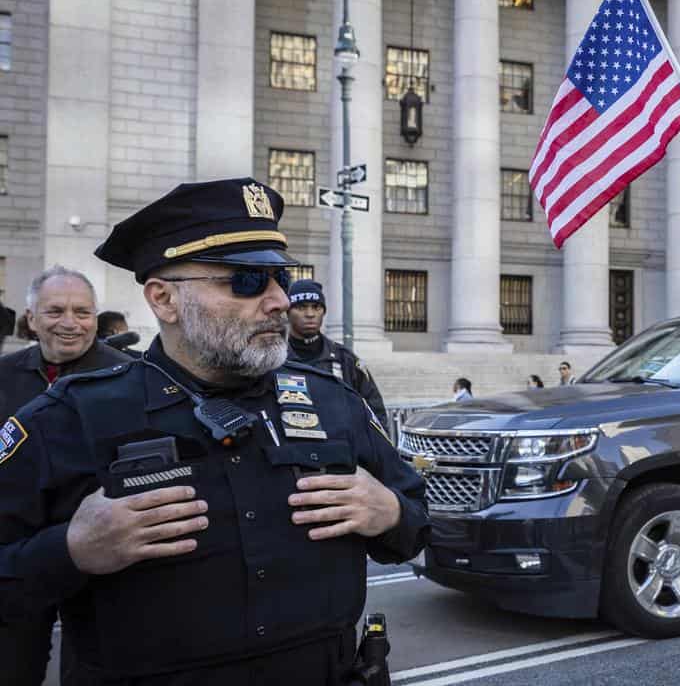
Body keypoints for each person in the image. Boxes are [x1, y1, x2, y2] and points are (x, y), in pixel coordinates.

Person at [0, 178, 431, 685]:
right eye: (246, 280)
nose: (277, 301)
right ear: (164, 300)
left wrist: (389, 513)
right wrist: (71, 551)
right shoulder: (71, 417)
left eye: (281, 279)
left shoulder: (335, 402)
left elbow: (415, 528)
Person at [0, 266, 131, 686]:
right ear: (31, 317)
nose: (71, 323)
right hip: (19, 553)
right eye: (55, 311)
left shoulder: (128, 376)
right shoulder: (5, 374)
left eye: (83, 312)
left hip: (98, 556)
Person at [287, 279, 388, 429]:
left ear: (324, 311)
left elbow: (375, 413)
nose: (310, 314)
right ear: (287, 312)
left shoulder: (346, 360)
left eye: (316, 307)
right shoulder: (274, 360)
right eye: (301, 307)